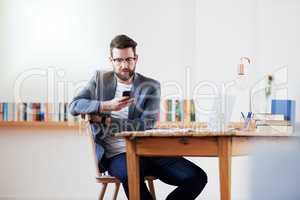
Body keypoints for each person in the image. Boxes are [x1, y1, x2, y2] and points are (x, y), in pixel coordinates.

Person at [69, 34, 207, 200]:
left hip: (150, 151)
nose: (124, 65)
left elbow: (145, 125)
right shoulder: (99, 80)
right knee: (131, 174)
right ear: (111, 60)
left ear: (136, 58)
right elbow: (74, 106)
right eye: (119, 60)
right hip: (117, 155)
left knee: (197, 177)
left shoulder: (151, 86)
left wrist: (106, 120)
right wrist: (106, 105)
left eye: (129, 59)